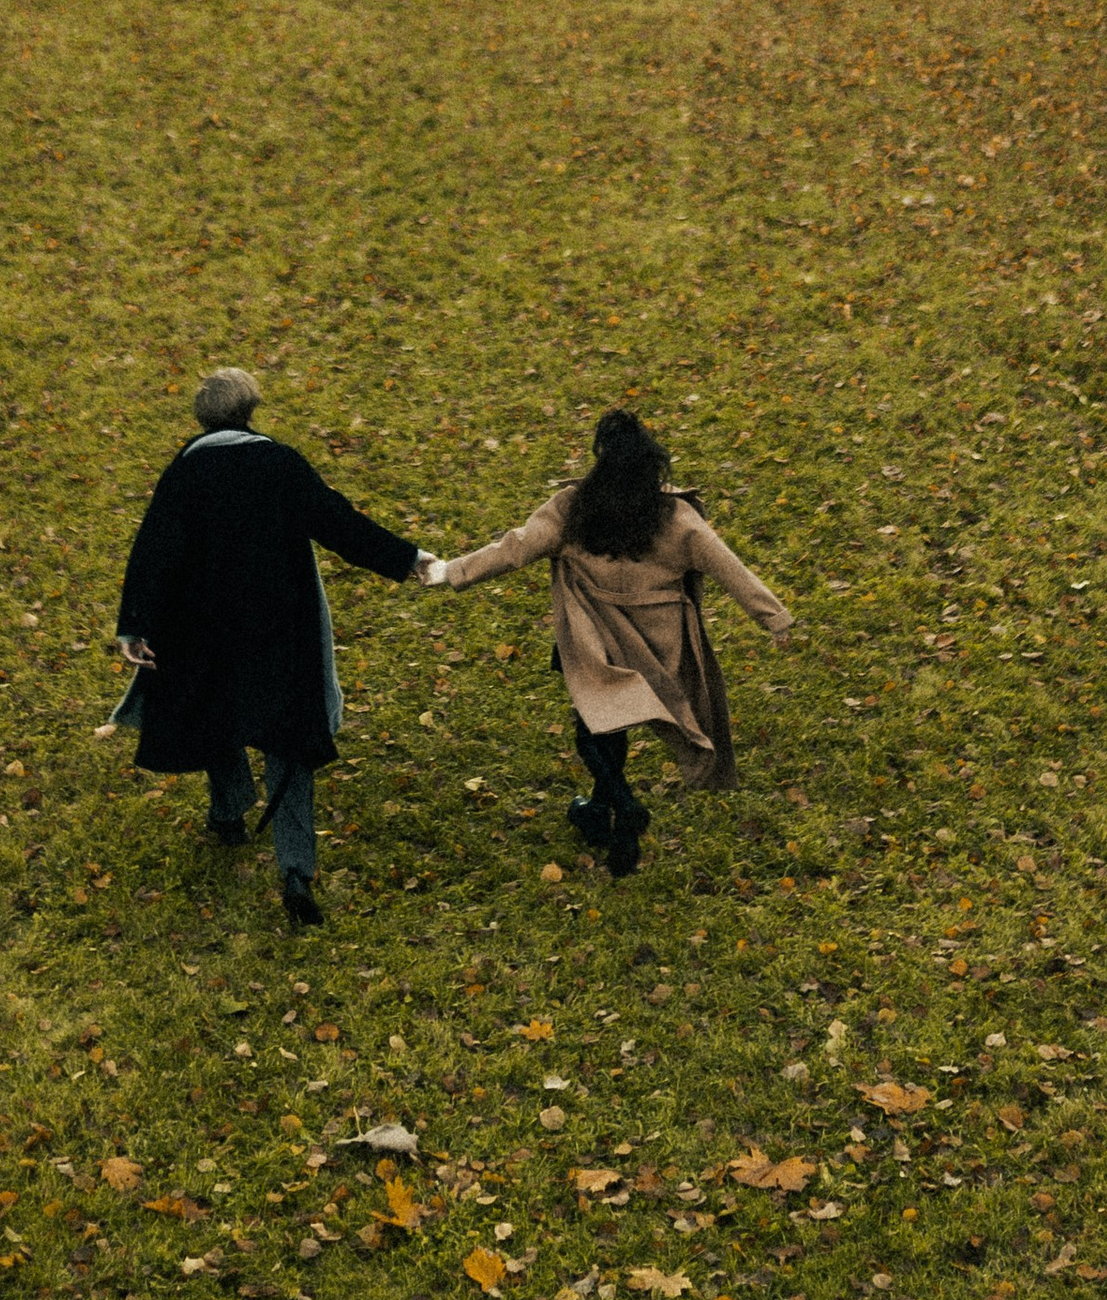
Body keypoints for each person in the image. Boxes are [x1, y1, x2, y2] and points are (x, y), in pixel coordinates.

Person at [113, 366, 424, 927]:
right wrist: (408, 559)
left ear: (202, 418)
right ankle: (296, 870)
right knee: (288, 742)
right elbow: (340, 524)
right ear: (251, 409)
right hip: (278, 629)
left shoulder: (185, 472)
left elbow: (153, 551)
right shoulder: (280, 463)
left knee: (213, 715)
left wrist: (134, 626)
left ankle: (229, 811)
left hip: (200, 631)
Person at [424, 407, 792, 876]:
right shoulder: (676, 518)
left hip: (593, 638)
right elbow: (728, 567)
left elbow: (514, 549)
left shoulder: (572, 510)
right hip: (656, 643)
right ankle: (603, 813)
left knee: (593, 730)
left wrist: (450, 572)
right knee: (606, 725)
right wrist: (773, 617)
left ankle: (622, 805)